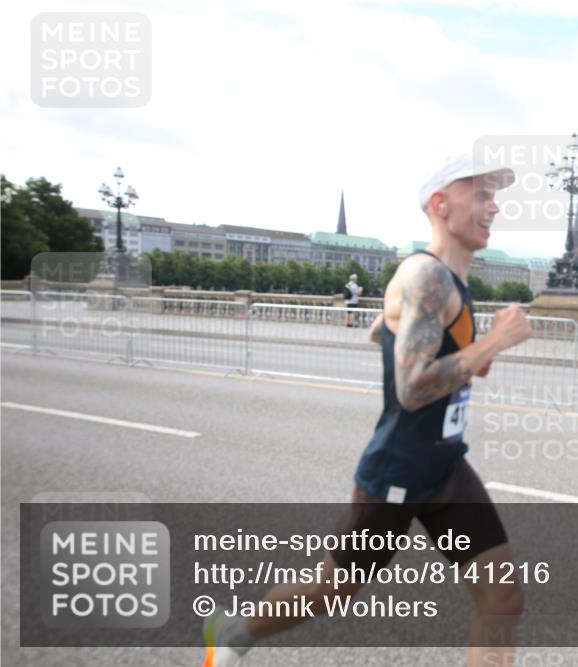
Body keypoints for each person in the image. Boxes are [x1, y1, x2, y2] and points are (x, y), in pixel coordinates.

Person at [201, 154, 532, 667]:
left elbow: (384, 330)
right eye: (481, 195)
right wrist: (490, 345)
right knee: (333, 589)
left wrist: (458, 356)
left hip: (445, 467)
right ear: (441, 204)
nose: (493, 207)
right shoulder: (426, 275)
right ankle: (235, 632)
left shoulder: (445, 281)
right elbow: (413, 389)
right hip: (398, 473)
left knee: (502, 596)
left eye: (495, 197)